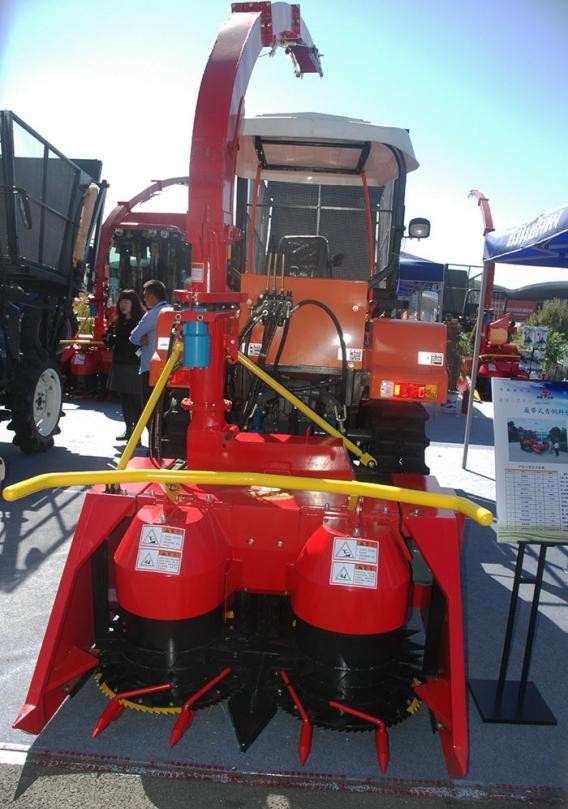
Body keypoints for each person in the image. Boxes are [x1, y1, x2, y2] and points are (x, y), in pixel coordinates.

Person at [104, 289, 145, 442]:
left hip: (134, 364)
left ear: (133, 304)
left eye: (126, 302)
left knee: (136, 400)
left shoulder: (140, 321)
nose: (123, 305)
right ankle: (129, 429)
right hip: (120, 363)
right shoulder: (117, 322)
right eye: (121, 302)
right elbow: (108, 339)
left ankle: (138, 434)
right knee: (124, 398)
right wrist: (108, 339)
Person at [129, 279, 168, 405]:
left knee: (149, 405)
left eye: (145, 296)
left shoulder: (152, 315)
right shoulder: (172, 311)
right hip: (170, 366)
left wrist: (142, 338)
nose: (144, 300)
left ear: (151, 296)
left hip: (151, 367)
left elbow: (134, 336)